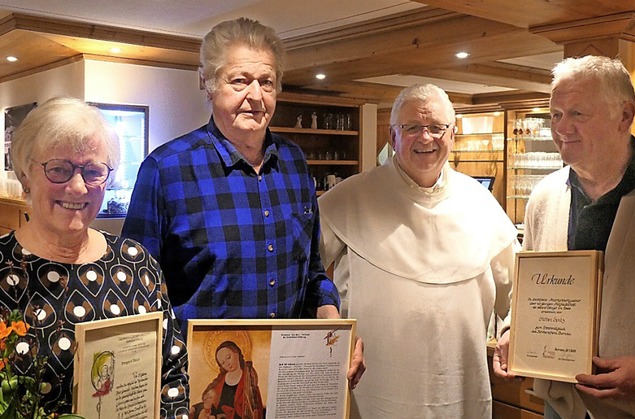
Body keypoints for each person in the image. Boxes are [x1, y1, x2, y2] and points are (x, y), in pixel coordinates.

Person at [121, 17, 364, 387]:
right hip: (202, 387)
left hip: (290, 379)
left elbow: (312, 271)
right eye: (239, 80)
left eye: (266, 82)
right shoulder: (165, 169)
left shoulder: (295, 162)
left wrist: (332, 323)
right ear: (208, 84)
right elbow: (137, 292)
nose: (255, 95)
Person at [318, 83, 520, 418]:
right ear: (392, 135)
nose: (425, 138)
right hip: (375, 389)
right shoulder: (350, 197)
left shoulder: (480, 203)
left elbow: (519, 290)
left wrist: (511, 330)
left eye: (437, 127)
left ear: (452, 134)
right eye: (411, 127)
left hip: (461, 387)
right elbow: (302, 276)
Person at [2, 97, 189, 418]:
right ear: (25, 175)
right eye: (58, 169)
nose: (77, 187)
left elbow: (171, 373)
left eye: (92, 171)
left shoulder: (137, 264)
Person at [492, 55, 635, 418]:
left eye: (577, 114)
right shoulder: (543, 196)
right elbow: (527, 290)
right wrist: (514, 331)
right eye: (555, 114)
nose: (561, 128)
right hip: (561, 403)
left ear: (624, 115)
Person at [205, 340, 263, 419]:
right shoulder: (219, 383)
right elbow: (209, 402)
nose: (227, 364)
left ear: (236, 354)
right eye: (223, 363)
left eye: (228, 357)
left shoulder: (249, 379)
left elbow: (256, 409)